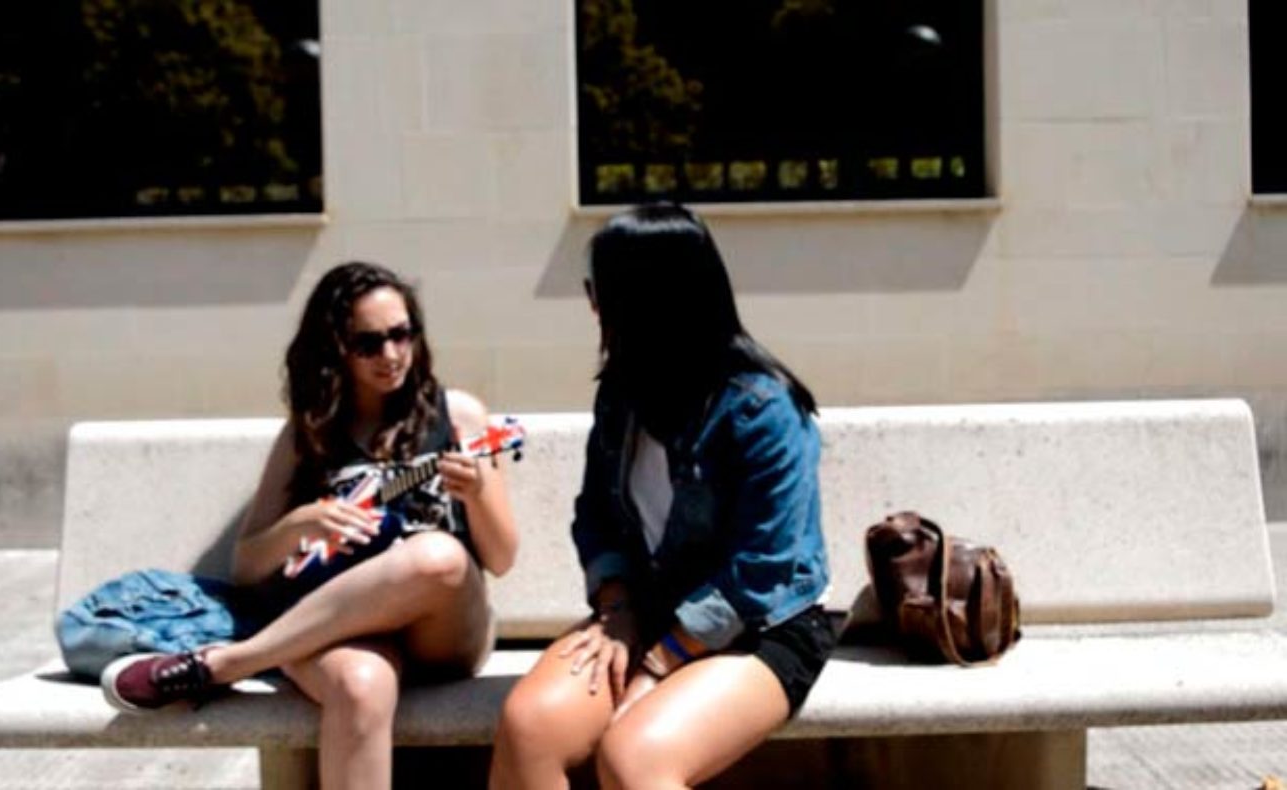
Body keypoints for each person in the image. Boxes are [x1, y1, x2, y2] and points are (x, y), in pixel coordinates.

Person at [100, 261, 518, 790]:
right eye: (367, 343)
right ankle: (241, 660)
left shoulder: (458, 416)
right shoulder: (310, 434)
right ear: (335, 348)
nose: (391, 355)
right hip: (336, 631)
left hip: (442, 631)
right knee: (360, 687)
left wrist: (477, 494)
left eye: (401, 334)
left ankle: (229, 663)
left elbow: (501, 558)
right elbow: (247, 566)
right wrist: (301, 524)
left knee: (439, 557)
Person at [489, 203, 835, 789]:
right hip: (648, 608)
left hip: (762, 627)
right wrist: (618, 610)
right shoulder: (622, 395)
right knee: (530, 730)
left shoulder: (761, 409)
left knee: (633, 758)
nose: (591, 305)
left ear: (646, 300)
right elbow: (597, 517)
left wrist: (656, 665)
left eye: (597, 290)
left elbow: (759, 573)